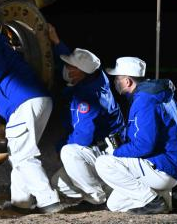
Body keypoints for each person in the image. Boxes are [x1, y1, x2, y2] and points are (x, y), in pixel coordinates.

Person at [0, 30, 71, 214]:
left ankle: (48, 200)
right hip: (38, 101)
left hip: (24, 103)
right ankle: (21, 201)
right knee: (18, 152)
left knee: (23, 155)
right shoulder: (6, 48)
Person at [94, 56, 177, 214]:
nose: (115, 82)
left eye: (118, 78)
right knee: (114, 204)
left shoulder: (144, 100)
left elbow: (144, 145)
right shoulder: (157, 94)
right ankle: (170, 199)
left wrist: (116, 152)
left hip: (163, 167)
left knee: (104, 163)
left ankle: (152, 201)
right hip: (171, 165)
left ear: (128, 81)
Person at [47, 24, 124, 209]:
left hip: (109, 153)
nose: (65, 68)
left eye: (69, 66)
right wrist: (56, 41)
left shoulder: (88, 98)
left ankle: (96, 198)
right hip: (102, 149)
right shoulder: (93, 77)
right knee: (59, 182)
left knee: (69, 152)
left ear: (79, 72)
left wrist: (61, 147)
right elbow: (79, 62)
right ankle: (109, 189)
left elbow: (83, 138)